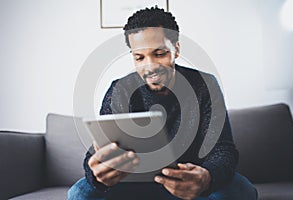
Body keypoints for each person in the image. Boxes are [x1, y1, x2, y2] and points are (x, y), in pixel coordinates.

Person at [68, 6, 257, 200]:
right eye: (139, 57)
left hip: (186, 183)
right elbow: (95, 154)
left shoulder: (205, 85)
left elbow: (223, 149)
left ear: (176, 49)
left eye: (159, 54)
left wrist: (207, 177)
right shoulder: (120, 89)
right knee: (79, 193)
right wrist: (97, 175)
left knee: (242, 191)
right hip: (133, 185)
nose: (150, 66)